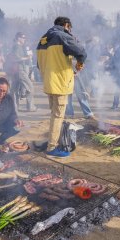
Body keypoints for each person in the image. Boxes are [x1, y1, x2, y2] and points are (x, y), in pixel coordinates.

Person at [37, 16, 87, 157]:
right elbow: (82, 52)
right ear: (66, 25)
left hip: (49, 83)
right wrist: (79, 65)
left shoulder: (43, 39)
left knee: (54, 114)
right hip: (60, 83)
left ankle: (51, 141)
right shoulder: (62, 36)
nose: (70, 30)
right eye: (69, 27)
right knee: (58, 116)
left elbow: (38, 64)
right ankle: (52, 148)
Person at [8, 32, 37, 112]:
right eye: (23, 37)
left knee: (14, 90)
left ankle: (14, 107)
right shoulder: (17, 47)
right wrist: (27, 57)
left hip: (17, 71)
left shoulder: (18, 46)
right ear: (18, 38)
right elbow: (16, 58)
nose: (24, 39)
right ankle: (30, 107)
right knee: (30, 87)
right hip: (20, 70)